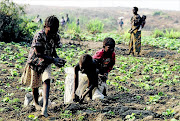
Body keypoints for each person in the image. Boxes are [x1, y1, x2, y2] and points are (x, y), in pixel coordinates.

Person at [21, 15, 66, 117]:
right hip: (35, 61)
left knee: (47, 79)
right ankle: (36, 103)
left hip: (47, 62)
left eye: (55, 30)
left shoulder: (55, 36)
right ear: (45, 26)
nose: (52, 33)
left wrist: (57, 59)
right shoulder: (39, 35)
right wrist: (54, 60)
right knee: (35, 84)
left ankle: (45, 106)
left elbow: (53, 49)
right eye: (50, 30)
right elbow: (39, 53)